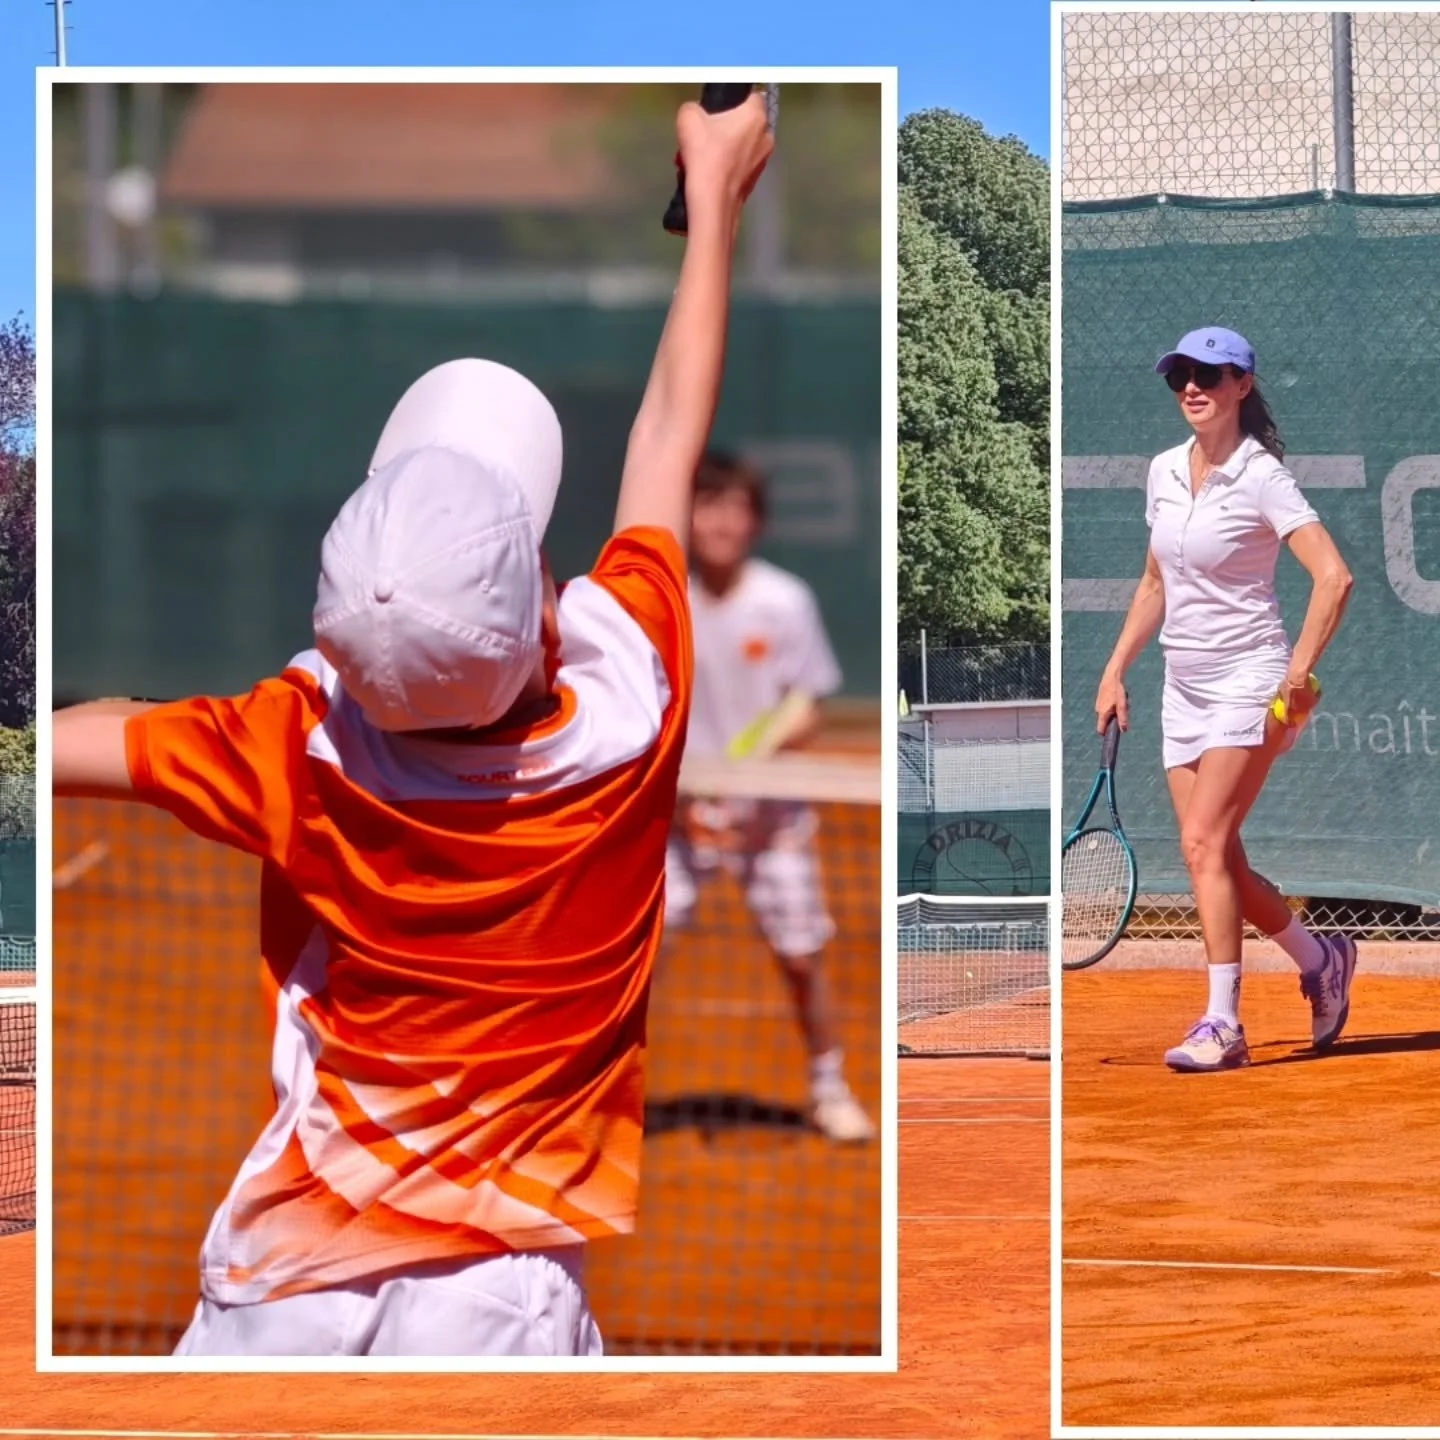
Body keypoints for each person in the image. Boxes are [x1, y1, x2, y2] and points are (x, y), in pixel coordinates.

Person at [51, 95, 775, 1357]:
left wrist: (142, 717)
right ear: (542, 600)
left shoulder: (294, 740)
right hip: (504, 1292)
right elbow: (666, 434)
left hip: (279, 1282)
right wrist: (714, 194)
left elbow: (63, 745)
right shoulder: (629, 696)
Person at [1093, 326, 1356, 1074]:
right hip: (1184, 685)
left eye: (1211, 373)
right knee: (1221, 859)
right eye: (1180, 374)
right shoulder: (1164, 472)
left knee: (1203, 844)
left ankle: (1221, 1024)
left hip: (1251, 679)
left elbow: (1333, 577)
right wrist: (1115, 669)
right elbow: (1155, 584)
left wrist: (1297, 672)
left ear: (1243, 384)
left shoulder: (1262, 477)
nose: (1192, 386)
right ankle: (1321, 960)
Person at [665, 450, 874, 1142]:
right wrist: (687, 804)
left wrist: (756, 766)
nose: (721, 521)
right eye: (708, 504)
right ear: (686, 516)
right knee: (631, 957)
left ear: (754, 522)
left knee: (800, 958)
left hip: (772, 819)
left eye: (736, 507)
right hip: (681, 817)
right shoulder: (666, 605)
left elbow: (808, 706)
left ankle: (827, 1087)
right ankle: (602, 1090)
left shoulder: (783, 602)